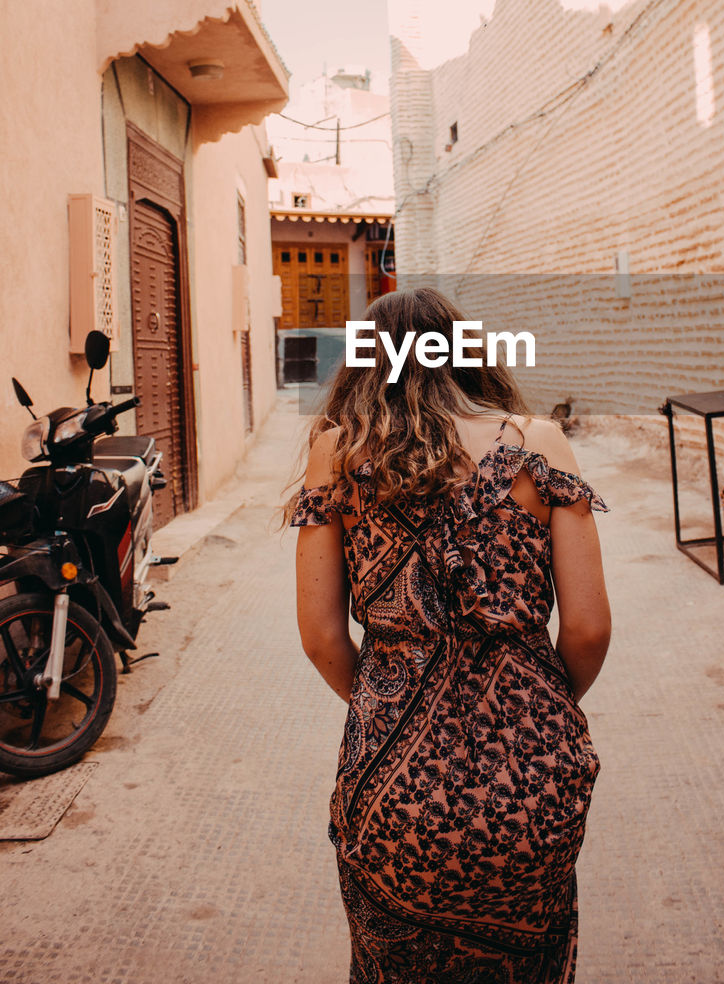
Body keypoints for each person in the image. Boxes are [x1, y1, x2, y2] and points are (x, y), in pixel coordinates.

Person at [285, 287, 610, 984]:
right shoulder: (536, 445)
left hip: (391, 801)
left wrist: (386, 699)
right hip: (531, 779)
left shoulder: (336, 455)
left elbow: (319, 637)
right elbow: (586, 628)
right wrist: (540, 700)